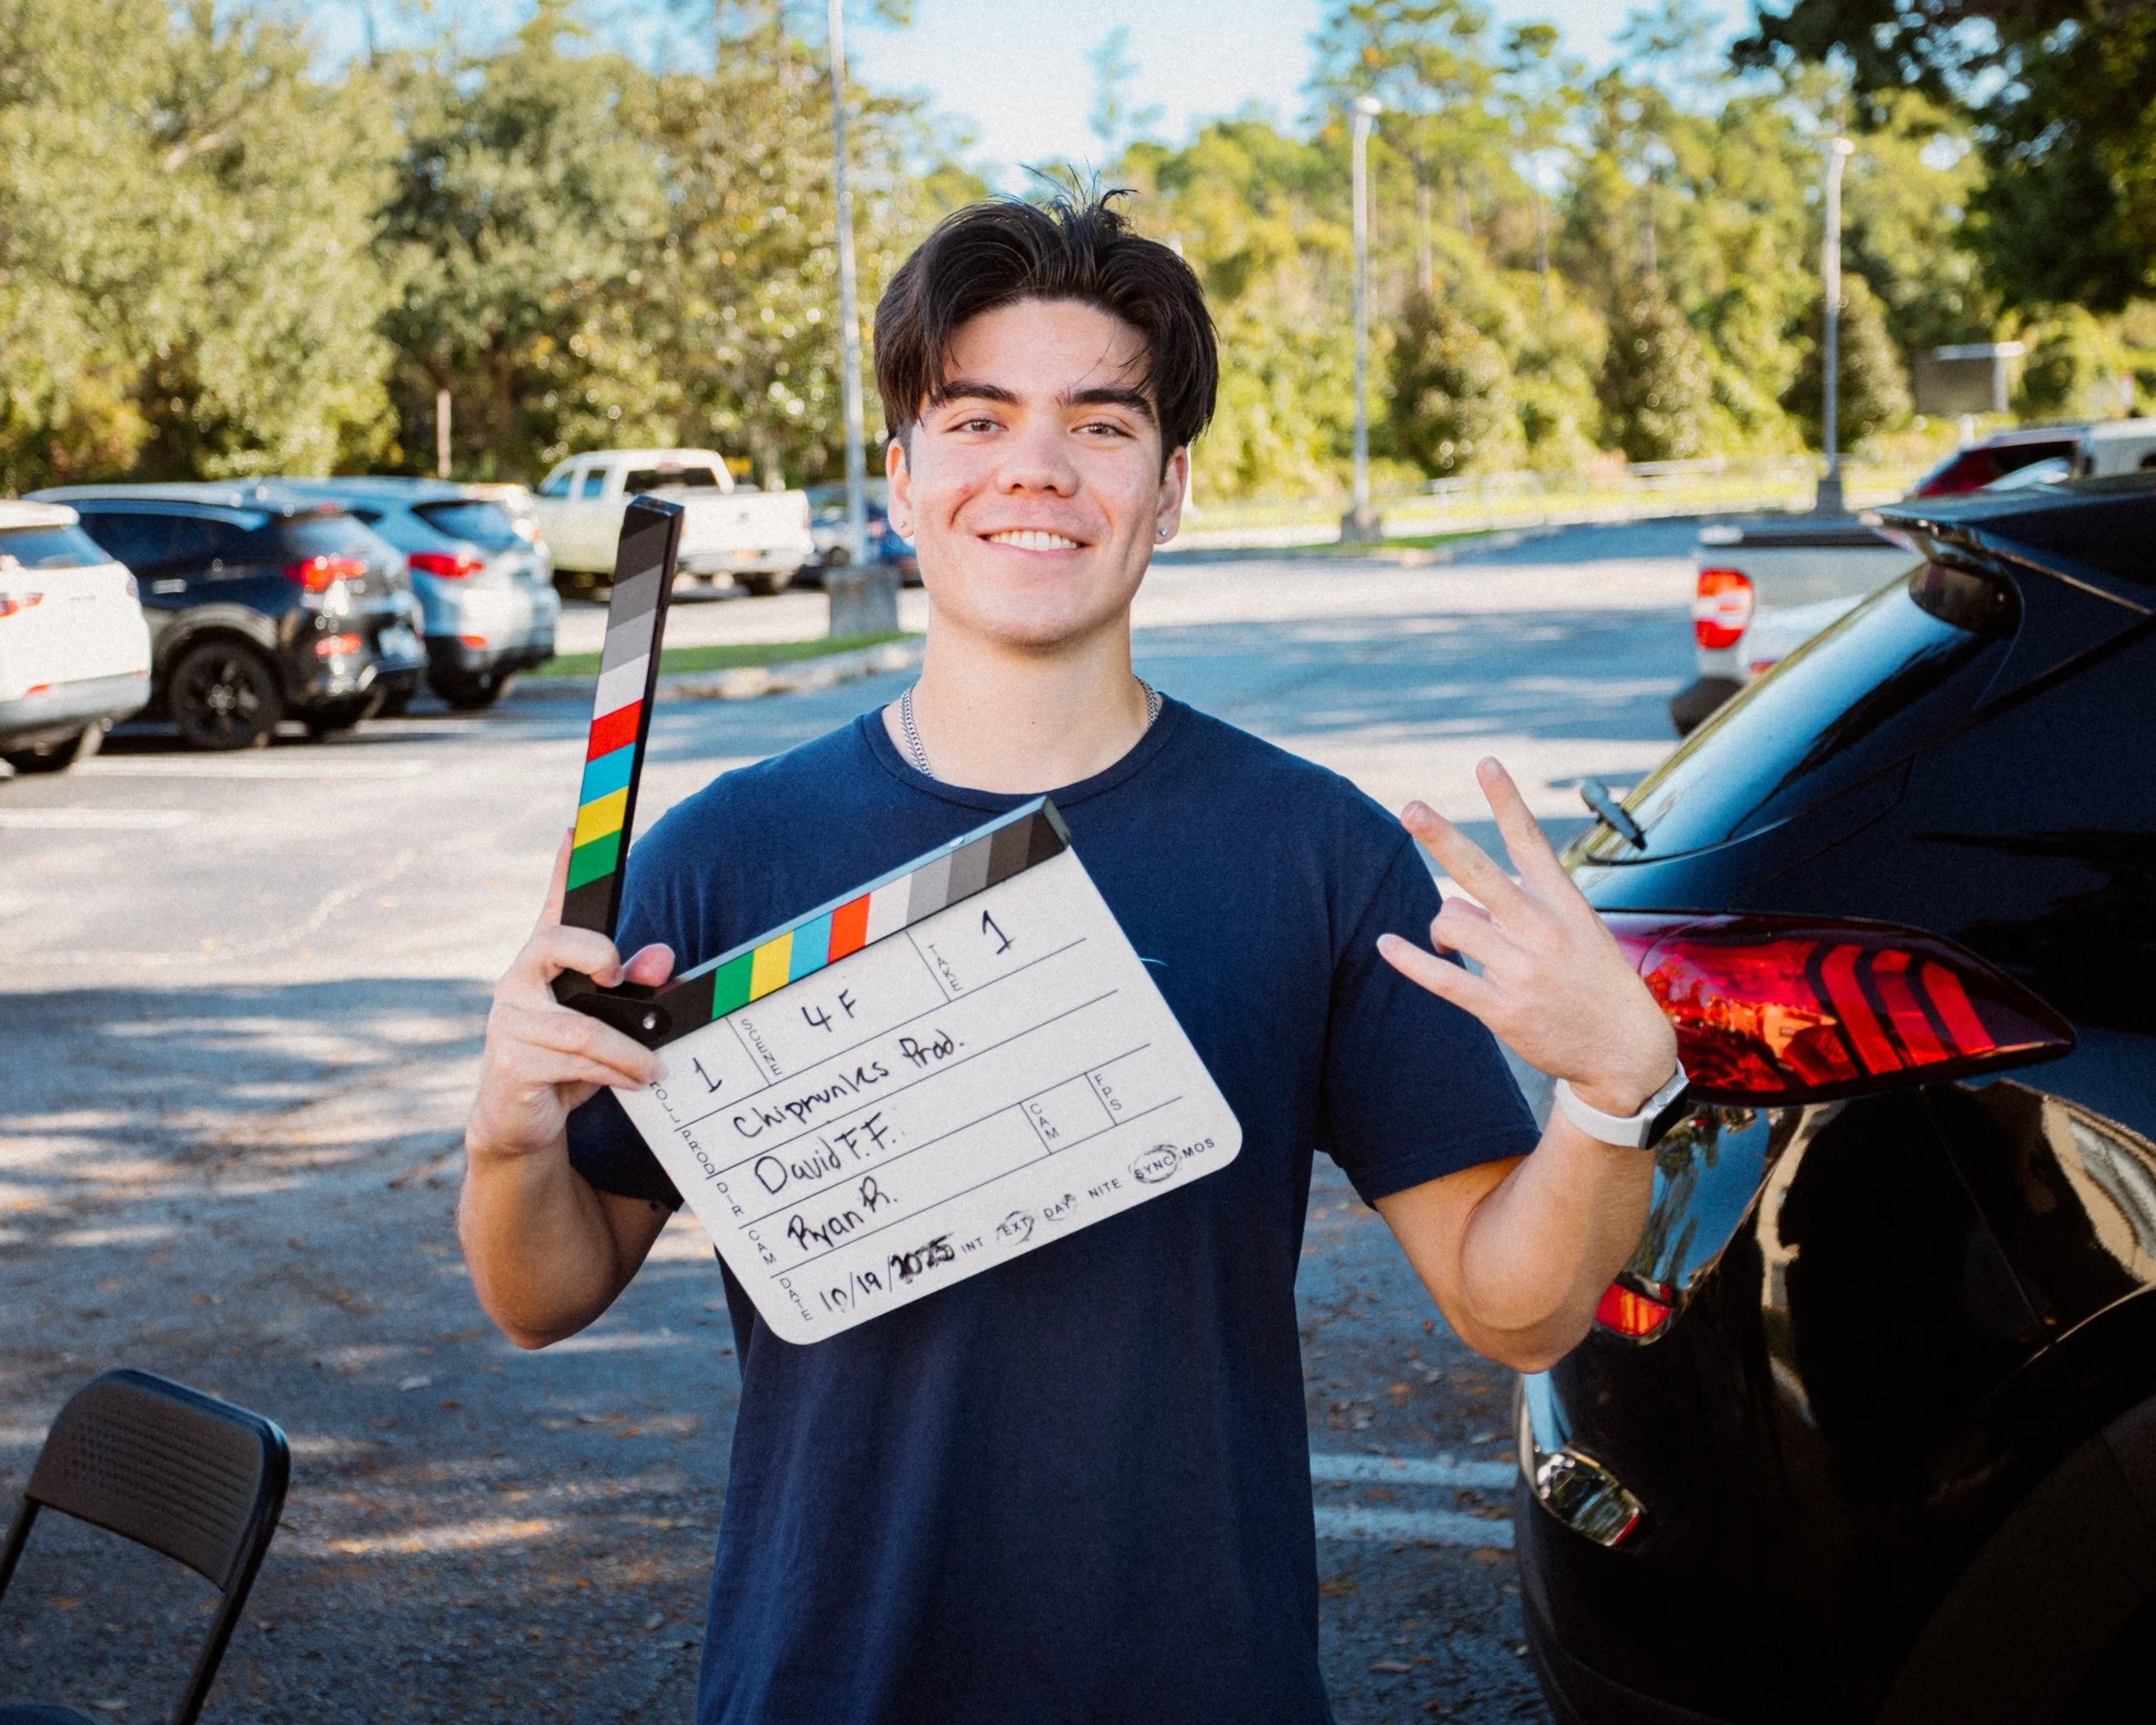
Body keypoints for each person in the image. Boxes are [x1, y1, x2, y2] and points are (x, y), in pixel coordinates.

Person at [460, 191, 1680, 1724]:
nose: (1034, 465)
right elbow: (540, 1293)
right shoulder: (722, 855)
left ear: (1171, 489)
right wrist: (510, 1138)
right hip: (826, 1679)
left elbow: (1517, 1309)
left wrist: (1612, 1096)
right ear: (901, 481)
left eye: (1101, 427)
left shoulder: (1313, 852)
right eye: (975, 417)